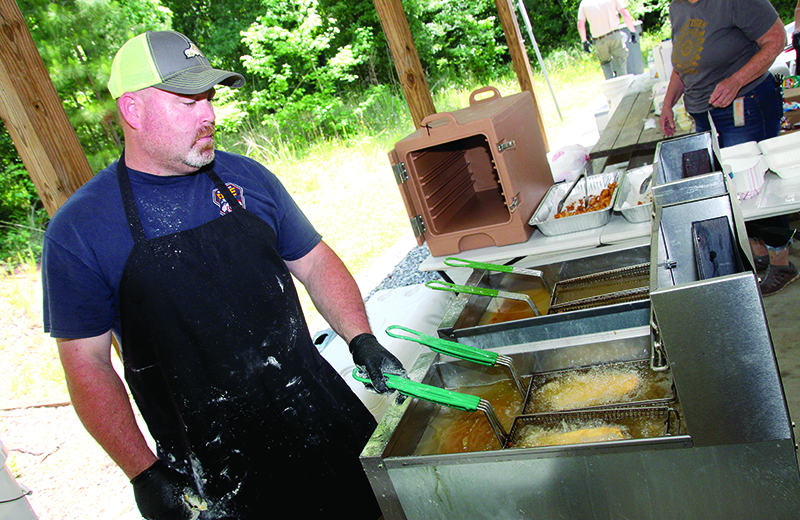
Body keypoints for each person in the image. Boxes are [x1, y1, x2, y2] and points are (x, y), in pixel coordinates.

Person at [41, 30, 406, 519]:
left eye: (209, 98)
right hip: (215, 467)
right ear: (133, 110)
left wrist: (361, 338)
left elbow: (315, 261)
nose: (209, 114)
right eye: (188, 101)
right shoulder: (80, 230)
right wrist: (143, 472)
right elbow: (87, 364)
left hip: (319, 420)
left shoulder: (248, 178)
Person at [658, 0, 797, 297]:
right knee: (733, 188)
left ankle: (781, 262)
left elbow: (776, 40)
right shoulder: (678, 7)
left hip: (744, 104)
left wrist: (735, 81)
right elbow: (684, 64)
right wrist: (668, 103)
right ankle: (759, 255)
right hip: (704, 115)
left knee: (756, 186)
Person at [577, 0, 638, 79]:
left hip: (599, 40)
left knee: (605, 63)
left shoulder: (584, 3)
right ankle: (623, 86)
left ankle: (611, 87)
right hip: (614, 35)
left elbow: (580, 24)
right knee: (620, 61)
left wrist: (584, 41)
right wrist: (632, 30)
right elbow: (624, 13)